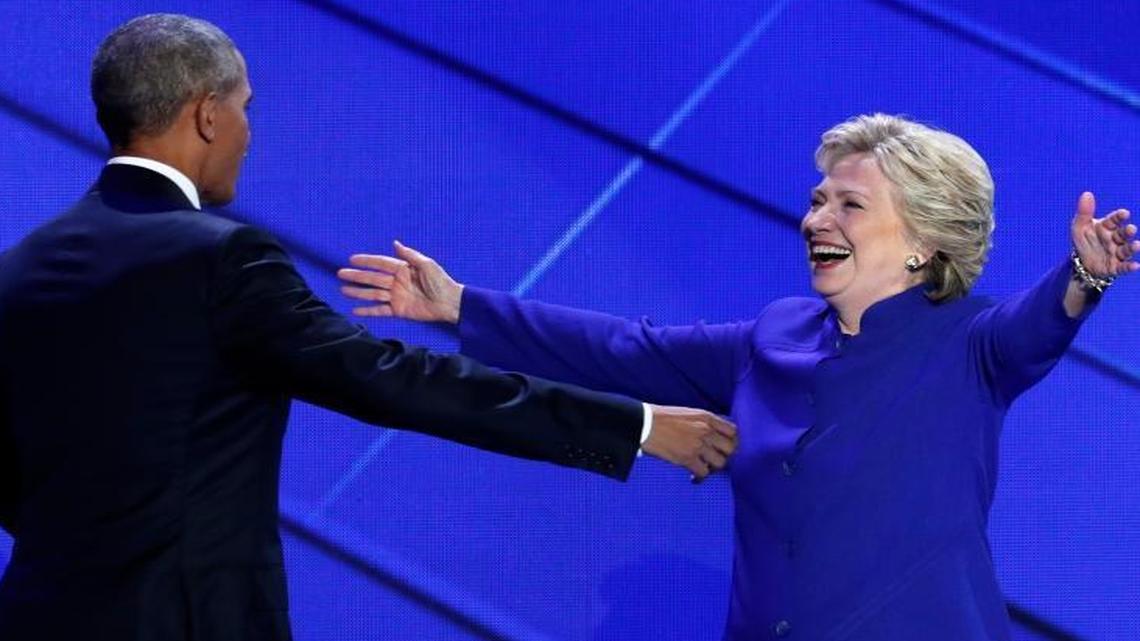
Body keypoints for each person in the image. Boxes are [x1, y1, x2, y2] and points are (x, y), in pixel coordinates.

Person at [0, 14, 739, 641]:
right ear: (206, 115)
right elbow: (400, 382)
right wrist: (634, 425)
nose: (249, 133)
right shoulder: (222, 257)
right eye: (246, 107)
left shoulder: (23, 266)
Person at [340, 113, 1138, 640]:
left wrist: (1086, 275)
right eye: (817, 200)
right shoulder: (775, 335)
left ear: (925, 241)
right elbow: (622, 348)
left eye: (849, 206)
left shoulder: (972, 343)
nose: (816, 219)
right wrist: (459, 306)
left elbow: (1042, 322)